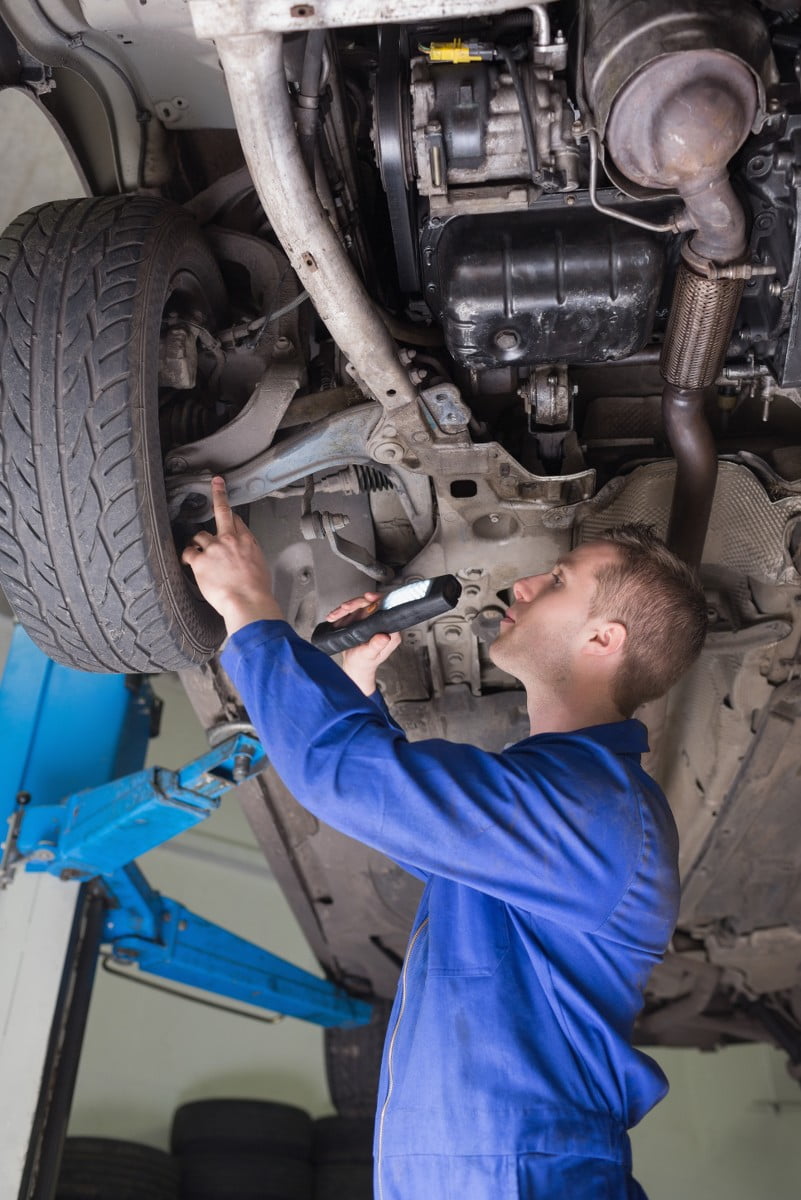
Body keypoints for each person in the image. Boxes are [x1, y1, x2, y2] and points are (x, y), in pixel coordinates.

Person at [182, 476, 707, 1200]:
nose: (520, 586)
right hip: (501, 1171)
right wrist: (353, 689)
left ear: (602, 639)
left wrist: (250, 608)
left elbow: (346, 780)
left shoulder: (594, 808)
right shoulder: (569, 798)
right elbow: (408, 821)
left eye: (556, 581)